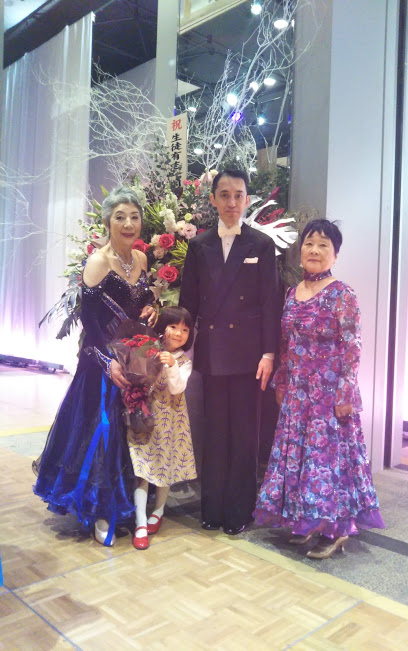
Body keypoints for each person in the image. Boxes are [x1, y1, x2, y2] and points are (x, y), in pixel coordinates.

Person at [253, 219, 385, 559]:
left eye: (323, 245)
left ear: (335, 255)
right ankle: (308, 522)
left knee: (328, 463)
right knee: (301, 460)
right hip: (298, 393)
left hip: (329, 395)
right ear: (301, 251)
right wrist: (282, 381)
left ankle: (337, 529)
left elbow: (352, 347)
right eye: (309, 243)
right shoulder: (291, 293)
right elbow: (286, 344)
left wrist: (345, 393)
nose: (314, 250)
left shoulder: (343, 294)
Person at [33, 186, 157, 546]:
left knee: (130, 434)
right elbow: (89, 322)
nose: (128, 223)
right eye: (120, 217)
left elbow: (141, 302)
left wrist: (153, 309)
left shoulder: (142, 259)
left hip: (132, 361)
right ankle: (98, 510)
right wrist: (108, 363)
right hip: (100, 367)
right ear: (107, 222)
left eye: (134, 217)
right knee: (102, 433)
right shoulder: (98, 262)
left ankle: (127, 506)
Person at [179, 169, 281, 535]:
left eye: (238, 195)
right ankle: (213, 509)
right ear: (212, 200)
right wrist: (178, 350)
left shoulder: (262, 244)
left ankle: (240, 511)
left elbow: (271, 303)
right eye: (224, 195)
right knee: (215, 432)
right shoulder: (199, 245)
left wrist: (269, 353)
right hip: (212, 353)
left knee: (245, 434)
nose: (231, 202)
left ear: (247, 200)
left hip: (251, 356)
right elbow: (188, 303)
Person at [130, 306, 196, 550]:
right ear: (162, 327)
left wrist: (171, 365)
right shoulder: (148, 349)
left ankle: (158, 511)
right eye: (173, 327)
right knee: (142, 467)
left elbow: (177, 388)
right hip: (144, 416)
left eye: (185, 330)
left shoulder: (184, 361)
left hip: (171, 420)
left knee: (165, 464)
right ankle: (140, 522)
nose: (178, 333)